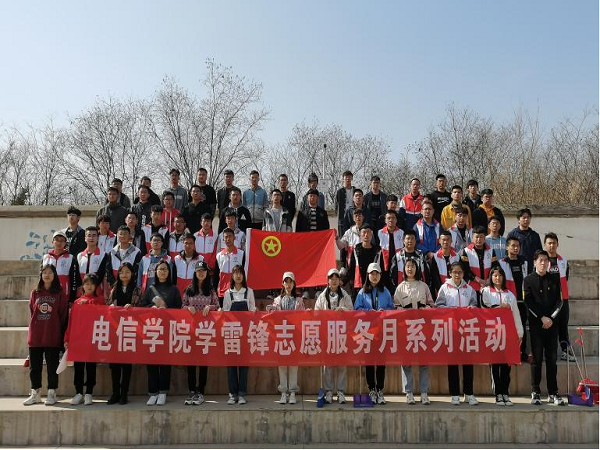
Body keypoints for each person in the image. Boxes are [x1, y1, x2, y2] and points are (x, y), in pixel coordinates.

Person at [23, 264, 68, 406]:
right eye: (44, 272)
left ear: (54, 275)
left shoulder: (59, 293)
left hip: (52, 334)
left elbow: (63, 315)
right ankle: (35, 393)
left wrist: (58, 330)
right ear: (41, 275)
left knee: (52, 366)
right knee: (34, 367)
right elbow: (32, 312)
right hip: (36, 335)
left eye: (50, 272)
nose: (47, 275)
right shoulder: (35, 293)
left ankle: (51, 393)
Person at [524, 250, 564, 406]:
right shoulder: (528, 280)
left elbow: (560, 302)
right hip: (536, 325)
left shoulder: (554, 279)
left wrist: (551, 318)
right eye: (540, 260)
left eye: (546, 260)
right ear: (534, 262)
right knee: (537, 360)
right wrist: (542, 317)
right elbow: (528, 302)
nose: (543, 263)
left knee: (552, 360)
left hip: (552, 325)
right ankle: (535, 391)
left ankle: (553, 392)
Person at [435, 262, 479, 406]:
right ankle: (454, 394)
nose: (457, 275)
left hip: (467, 330)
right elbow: (439, 306)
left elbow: (474, 305)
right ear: (450, 273)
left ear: (463, 274)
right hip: (451, 330)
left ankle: (469, 393)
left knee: (468, 363)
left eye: (460, 272)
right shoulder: (444, 288)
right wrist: (450, 310)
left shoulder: (469, 289)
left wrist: (471, 308)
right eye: (455, 272)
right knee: (453, 363)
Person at [140, 261, 182, 406]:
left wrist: (167, 309)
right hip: (152, 330)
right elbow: (142, 306)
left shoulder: (174, 289)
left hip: (167, 329)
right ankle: (153, 392)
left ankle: (163, 392)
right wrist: (152, 307)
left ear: (169, 272)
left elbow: (179, 308)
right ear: (155, 272)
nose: (162, 271)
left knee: (165, 362)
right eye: (160, 269)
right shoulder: (150, 289)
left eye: (165, 269)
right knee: (151, 362)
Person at [481, 266, 523, 407]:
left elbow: (516, 314)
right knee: (495, 364)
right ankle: (498, 393)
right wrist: (500, 308)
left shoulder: (510, 294)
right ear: (491, 277)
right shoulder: (486, 291)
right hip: (492, 334)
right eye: (495, 275)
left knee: (506, 365)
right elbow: (484, 310)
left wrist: (520, 333)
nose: (497, 278)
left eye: (500, 275)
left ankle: (505, 392)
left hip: (508, 334)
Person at [393, 258, 433, 405]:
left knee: (424, 362)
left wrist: (426, 309)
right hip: (406, 329)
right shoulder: (400, 288)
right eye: (407, 266)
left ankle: (424, 393)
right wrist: (403, 311)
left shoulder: (424, 286)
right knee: (406, 362)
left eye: (412, 266)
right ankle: (409, 392)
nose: (410, 269)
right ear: (404, 269)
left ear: (417, 268)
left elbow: (431, 304)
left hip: (422, 329)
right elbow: (395, 307)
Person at [354, 262, 394, 405]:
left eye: (377, 273)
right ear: (368, 275)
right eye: (372, 274)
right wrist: (368, 312)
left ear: (380, 275)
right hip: (367, 332)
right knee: (369, 362)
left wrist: (385, 311)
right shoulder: (362, 292)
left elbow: (391, 308)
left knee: (381, 362)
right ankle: (371, 389)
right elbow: (356, 309)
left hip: (382, 332)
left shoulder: (386, 291)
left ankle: (380, 390)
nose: (375, 276)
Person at [64, 273, 105, 406]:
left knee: (91, 366)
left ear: (96, 286)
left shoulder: (100, 300)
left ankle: (89, 393)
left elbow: (102, 314)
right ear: (83, 286)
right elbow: (71, 322)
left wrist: (87, 302)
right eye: (86, 283)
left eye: (92, 284)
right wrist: (67, 338)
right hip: (78, 339)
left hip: (92, 338)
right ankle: (78, 392)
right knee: (79, 366)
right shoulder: (77, 302)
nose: (89, 286)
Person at [182, 260, 219, 405]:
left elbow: (217, 305)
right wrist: (187, 308)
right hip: (191, 330)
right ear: (195, 273)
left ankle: (201, 391)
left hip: (206, 330)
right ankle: (192, 390)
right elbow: (182, 305)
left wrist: (210, 307)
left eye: (203, 271)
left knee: (204, 361)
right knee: (190, 361)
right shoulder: (189, 289)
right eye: (198, 271)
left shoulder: (211, 290)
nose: (201, 273)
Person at [314, 268, 353, 404]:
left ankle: (341, 392)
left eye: (336, 278)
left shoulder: (345, 295)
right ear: (328, 281)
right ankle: (329, 391)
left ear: (339, 281)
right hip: (327, 334)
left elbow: (352, 311)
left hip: (341, 333)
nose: (334, 281)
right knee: (328, 364)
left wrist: (343, 310)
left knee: (342, 364)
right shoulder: (322, 296)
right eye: (332, 278)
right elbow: (316, 313)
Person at [107, 262, 141, 405]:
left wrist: (132, 307)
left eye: (127, 272)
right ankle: (115, 393)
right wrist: (111, 307)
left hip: (130, 329)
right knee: (114, 363)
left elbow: (140, 307)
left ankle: (124, 393)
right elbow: (108, 305)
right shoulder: (114, 288)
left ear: (132, 274)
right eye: (121, 272)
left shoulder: (136, 289)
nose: (124, 274)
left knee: (126, 364)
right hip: (115, 329)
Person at [222, 265, 256, 405]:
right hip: (231, 333)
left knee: (243, 364)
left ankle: (242, 393)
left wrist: (253, 311)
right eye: (235, 273)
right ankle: (232, 394)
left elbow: (253, 308)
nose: (238, 276)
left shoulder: (249, 292)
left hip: (245, 333)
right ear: (232, 276)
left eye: (240, 273)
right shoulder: (227, 293)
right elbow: (225, 312)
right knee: (231, 364)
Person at [270, 272, 305, 405]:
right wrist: (271, 309)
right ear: (282, 284)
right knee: (282, 364)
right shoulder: (277, 300)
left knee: (293, 364)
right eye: (286, 282)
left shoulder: (299, 300)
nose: (288, 284)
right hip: (281, 335)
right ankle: (283, 392)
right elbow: (273, 312)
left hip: (294, 335)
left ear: (294, 284)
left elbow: (302, 316)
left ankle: (293, 392)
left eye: (291, 282)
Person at [544, 232, 574, 362]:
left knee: (563, 325)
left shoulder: (563, 261)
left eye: (554, 243)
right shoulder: (541, 261)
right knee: (549, 326)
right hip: (547, 300)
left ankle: (565, 351)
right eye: (549, 243)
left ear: (557, 245)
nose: (551, 245)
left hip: (562, 299)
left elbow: (565, 279)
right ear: (545, 245)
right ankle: (549, 352)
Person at [498, 237, 529, 361]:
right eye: (513, 245)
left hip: (522, 301)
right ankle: (509, 351)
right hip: (508, 301)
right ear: (507, 247)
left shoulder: (524, 262)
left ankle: (522, 352)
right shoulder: (501, 263)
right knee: (508, 327)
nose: (515, 248)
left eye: (518, 246)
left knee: (521, 326)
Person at [459, 226, 497, 305]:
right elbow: (464, 269)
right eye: (476, 237)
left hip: (488, 286)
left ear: (485, 238)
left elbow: (495, 267)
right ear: (472, 238)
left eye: (481, 237)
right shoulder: (466, 251)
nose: (479, 239)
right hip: (471, 287)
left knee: (487, 308)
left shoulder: (491, 251)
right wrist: (478, 280)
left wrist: (489, 280)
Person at [42, 230, 81, 302]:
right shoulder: (46, 257)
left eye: (62, 240)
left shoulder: (70, 258)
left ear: (65, 243)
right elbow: (41, 276)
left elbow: (74, 278)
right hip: (48, 294)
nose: (59, 243)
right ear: (52, 242)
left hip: (64, 294)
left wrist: (72, 298)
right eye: (56, 240)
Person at [506, 208, 542, 274]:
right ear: (519, 220)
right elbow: (507, 253)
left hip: (532, 268)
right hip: (517, 268)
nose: (526, 219)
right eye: (524, 217)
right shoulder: (512, 234)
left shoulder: (535, 235)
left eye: (528, 217)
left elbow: (539, 252)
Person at [348, 224, 381, 292]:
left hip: (374, 282)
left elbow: (381, 268)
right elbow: (352, 268)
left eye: (368, 232)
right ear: (360, 234)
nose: (366, 235)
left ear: (372, 234)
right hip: (359, 283)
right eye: (364, 232)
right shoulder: (356, 250)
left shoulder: (377, 251)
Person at [76, 226, 108, 297]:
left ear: (98, 238)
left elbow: (101, 274)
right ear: (85, 238)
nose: (91, 238)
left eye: (94, 235)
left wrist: (91, 287)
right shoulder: (80, 255)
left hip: (97, 292)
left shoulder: (103, 255)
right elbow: (77, 275)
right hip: (82, 292)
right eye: (89, 235)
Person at [336, 209, 365, 286]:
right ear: (353, 218)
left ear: (363, 217)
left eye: (360, 215)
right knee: (352, 284)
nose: (358, 217)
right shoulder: (349, 232)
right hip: (352, 264)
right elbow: (341, 246)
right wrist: (337, 239)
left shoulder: (368, 231)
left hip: (364, 262)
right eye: (356, 216)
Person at [214, 228, 245, 299]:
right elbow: (216, 276)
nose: (228, 239)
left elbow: (244, 273)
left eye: (230, 236)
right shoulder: (219, 255)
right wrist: (215, 291)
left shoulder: (241, 254)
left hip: (237, 292)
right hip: (222, 293)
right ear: (223, 239)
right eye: (226, 237)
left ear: (234, 238)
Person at [377, 210, 404, 291]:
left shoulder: (401, 233)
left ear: (396, 220)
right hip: (384, 262)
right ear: (385, 220)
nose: (391, 220)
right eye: (388, 218)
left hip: (398, 261)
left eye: (393, 218)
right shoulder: (380, 232)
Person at [430, 231, 460, 296]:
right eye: (443, 240)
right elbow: (434, 277)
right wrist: (442, 290)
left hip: (455, 290)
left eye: (448, 239)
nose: (445, 242)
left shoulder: (457, 256)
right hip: (440, 291)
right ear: (439, 241)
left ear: (451, 241)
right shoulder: (435, 257)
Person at [335, 170, 355, 237]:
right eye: (346, 177)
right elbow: (336, 205)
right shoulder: (339, 192)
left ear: (352, 178)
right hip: (342, 218)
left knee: (354, 237)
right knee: (343, 237)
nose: (348, 178)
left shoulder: (355, 190)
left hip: (354, 217)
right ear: (343, 179)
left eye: (349, 177)